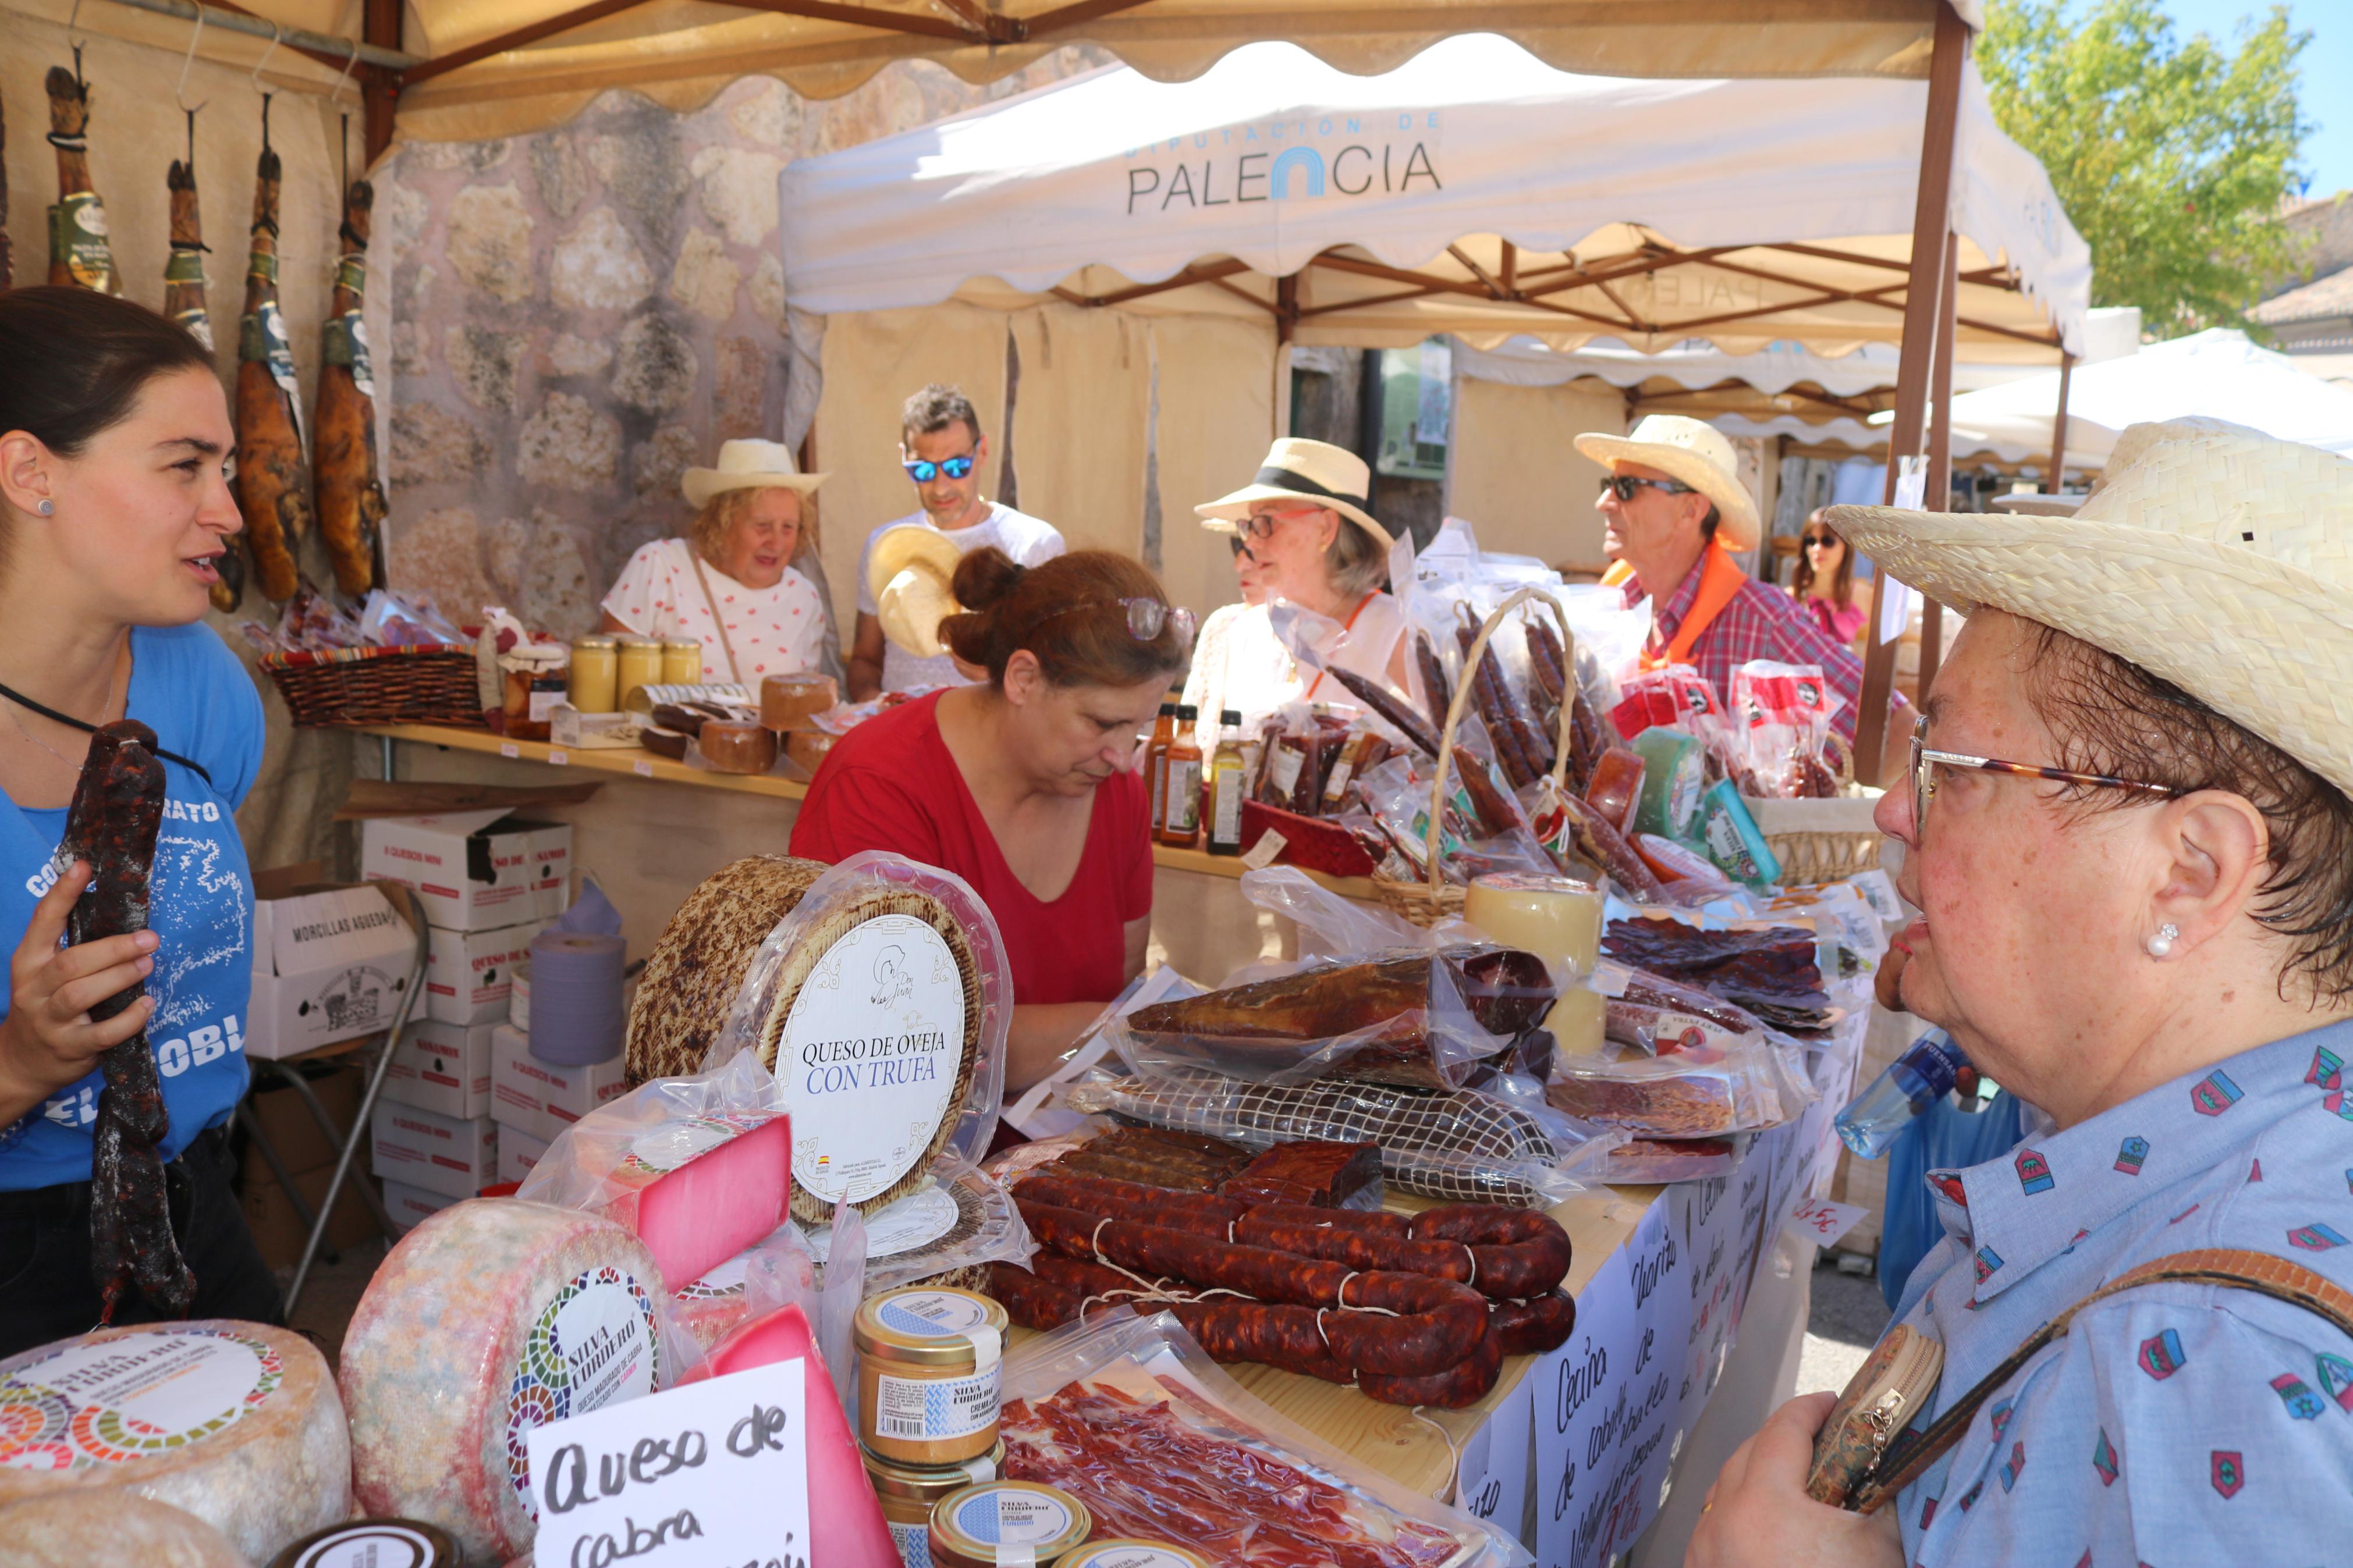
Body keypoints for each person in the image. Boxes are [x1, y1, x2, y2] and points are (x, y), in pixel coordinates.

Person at [1687, 419, 2353, 1567]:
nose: (1893, 809)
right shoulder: (2192, 1171)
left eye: (1945, 767)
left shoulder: (2214, 1358)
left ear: (2187, 871)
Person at [0, 288, 278, 1352]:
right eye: (184, 467)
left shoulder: (203, 687)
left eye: (226, 470)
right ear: (34, 475)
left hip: (196, 1203)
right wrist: (25, 1060)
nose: (230, 511)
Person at [793, 548, 1192, 1089]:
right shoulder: (879, 784)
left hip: (1060, 1140)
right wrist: (1158, 1030)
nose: (1122, 755)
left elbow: (1118, 994)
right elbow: (883, 1041)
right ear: (1023, 678)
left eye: (1138, 726)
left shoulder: (1117, 791)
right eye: (1101, 722)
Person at [1575, 415, 1904, 768]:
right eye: (1608, 485)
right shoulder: (1609, 609)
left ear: (1691, 509)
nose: (1605, 502)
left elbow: (1894, 726)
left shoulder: (1766, 619)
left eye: (1626, 487)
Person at [849, 385, 1063, 699]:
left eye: (956, 467)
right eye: (922, 469)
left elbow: (1059, 669)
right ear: (903, 458)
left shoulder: (1033, 544)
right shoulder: (884, 544)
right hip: (903, 734)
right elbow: (865, 660)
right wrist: (876, 705)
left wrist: (999, 674)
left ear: (983, 452)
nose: (940, 486)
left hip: (990, 741)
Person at [1187, 437, 1411, 730]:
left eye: (1266, 522)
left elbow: (1431, 763)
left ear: (1326, 530)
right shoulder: (1245, 631)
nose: (1251, 542)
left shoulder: (1394, 631)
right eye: (1248, 526)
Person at [600, 438, 831, 686]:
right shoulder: (660, 566)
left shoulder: (803, 597)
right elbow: (610, 681)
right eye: (762, 526)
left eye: (788, 528)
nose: (776, 543)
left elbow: (806, 701)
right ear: (722, 522)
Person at [1177, 528, 1273, 727]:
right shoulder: (1223, 622)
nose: (1239, 565)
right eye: (1238, 548)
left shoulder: (1311, 633)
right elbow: (1190, 719)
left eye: (1254, 553)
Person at [1790, 509, 1872, 647]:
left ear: (1846, 546)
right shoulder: (1790, 598)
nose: (1817, 549)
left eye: (1827, 541)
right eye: (1810, 541)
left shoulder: (1866, 596)